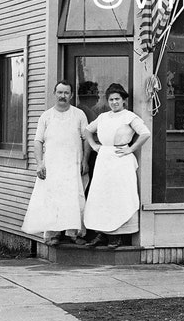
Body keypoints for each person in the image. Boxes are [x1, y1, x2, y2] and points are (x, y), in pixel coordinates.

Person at [81, 82, 150, 249]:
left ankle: (117, 236)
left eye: (117, 99)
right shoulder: (103, 117)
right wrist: (95, 145)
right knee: (102, 196)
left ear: (124, 100)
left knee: (119, 196)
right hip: (104, 159)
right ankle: (102, 234)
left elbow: (145, 133)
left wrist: (131, 149)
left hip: (121, 160)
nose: (114, 102)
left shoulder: (129, 117)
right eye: (111, 99)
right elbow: (87, 131)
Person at [21, 80, 90, 245]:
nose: (63, 96)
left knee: (73, 198)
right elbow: (37, 141)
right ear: (54, 94)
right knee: (52, 199)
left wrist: (85, 161)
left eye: (66, 93)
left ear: (71, 95)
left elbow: (87, 139)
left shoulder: (79, 114)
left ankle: (73, 233)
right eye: (60, 92)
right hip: (52, 166)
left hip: (72, 165)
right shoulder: (46, 116)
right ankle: (53, 234)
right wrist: (39, 164)